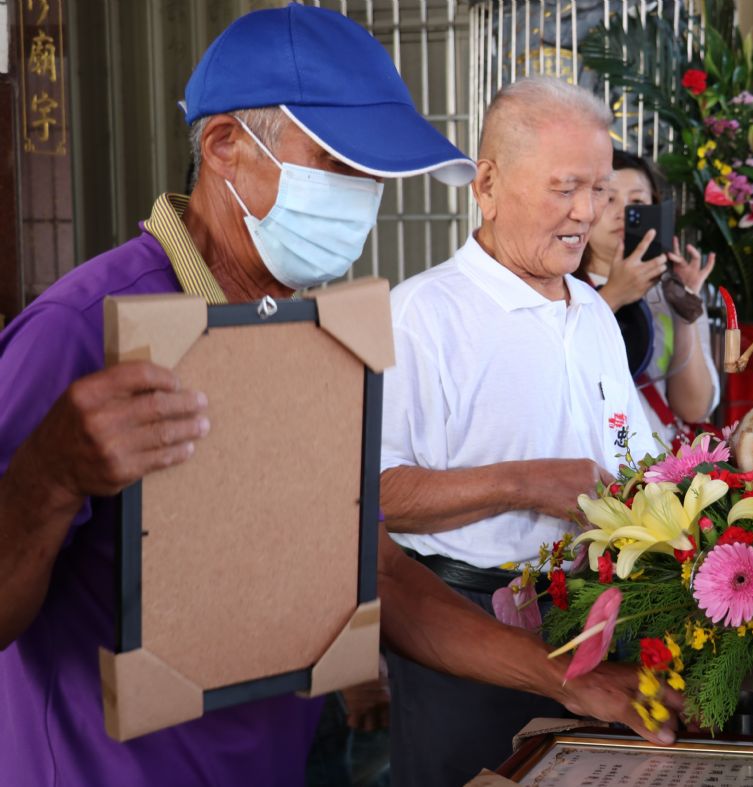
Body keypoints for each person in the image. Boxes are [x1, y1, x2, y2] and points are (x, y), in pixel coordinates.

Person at [0, 7, 674, 786]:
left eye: (377, 178)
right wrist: (50, 475)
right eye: (342, 168)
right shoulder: (79, 331)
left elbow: (370, 573)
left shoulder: (307, 334)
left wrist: (566, 677)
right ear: (225, 147)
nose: (365, 200)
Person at [378, 77, 664, 787]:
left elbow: (637, 451)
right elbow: (369, 494)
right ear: (489, 184)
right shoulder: (420, 316)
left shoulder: (593, 311)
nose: (587, 213)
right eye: (564, 188)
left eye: (599, 190)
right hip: (464, 625)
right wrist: (524, 482)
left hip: (595, 614)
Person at [578, 150, 719, 446]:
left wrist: (685, 310)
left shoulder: (673, 289)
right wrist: (614, 294)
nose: (623, 213)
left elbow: (693, 407)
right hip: (596, 466)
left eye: (638, 203)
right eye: (607, 197)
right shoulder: (561, 288)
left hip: (665, 467)